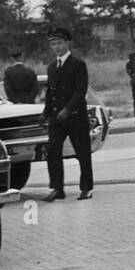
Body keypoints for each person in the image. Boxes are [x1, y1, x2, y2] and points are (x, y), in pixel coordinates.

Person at [42, 27, 94, 201]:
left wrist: (68, 109)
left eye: (59, 43)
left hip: (76, 116)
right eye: (53, 44)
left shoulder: (78, 64)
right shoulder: (51, 67)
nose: (56, 47)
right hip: (57, 118)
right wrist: (46, 113)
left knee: (82, 153)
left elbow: (81, 91)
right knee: (52, 150)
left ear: (67, 43)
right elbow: (50, 92)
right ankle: (57, 188)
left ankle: (86, 188)